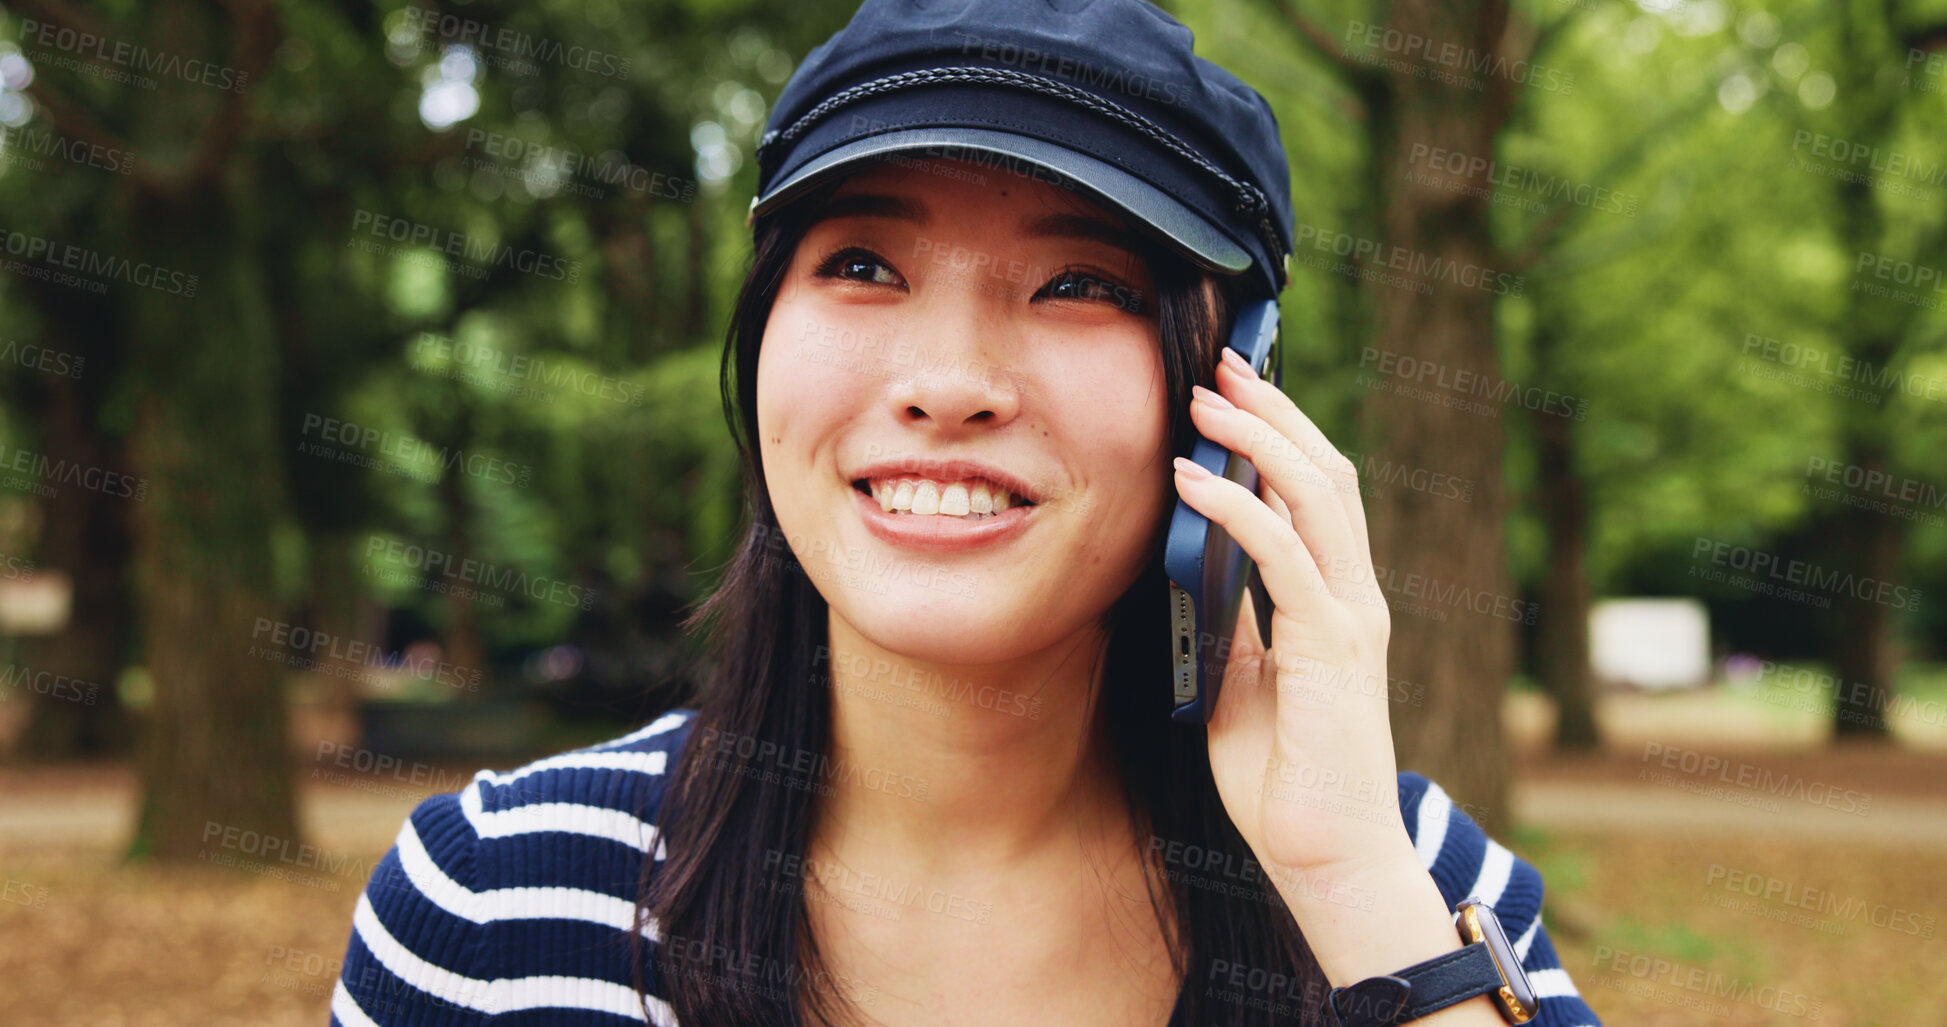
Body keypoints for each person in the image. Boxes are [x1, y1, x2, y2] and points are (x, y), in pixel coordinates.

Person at [330, 2, 1604, 1025]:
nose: (947, 386)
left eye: (1079, 283)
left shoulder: (1413, 875)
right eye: (864, 266)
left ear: (1242, 391)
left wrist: (1355, 903)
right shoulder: (498, 897)